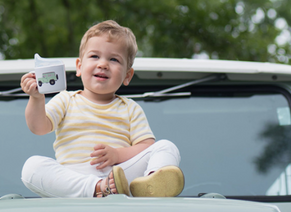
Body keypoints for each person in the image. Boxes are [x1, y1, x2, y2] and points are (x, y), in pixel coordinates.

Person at [20, 20, 183, 198]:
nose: (103, 64)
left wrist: (117, 155)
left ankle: (151, 184)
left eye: (114, 59)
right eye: (94, 56)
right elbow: (38, 127)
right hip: (74, 179)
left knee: (167, 147)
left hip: (120, 177)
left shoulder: (130, 108)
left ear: (127, 76)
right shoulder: (66, 99)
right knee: (31, 167)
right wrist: (36, 98)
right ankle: (98, 187)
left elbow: (146, 146)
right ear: (79, 66)